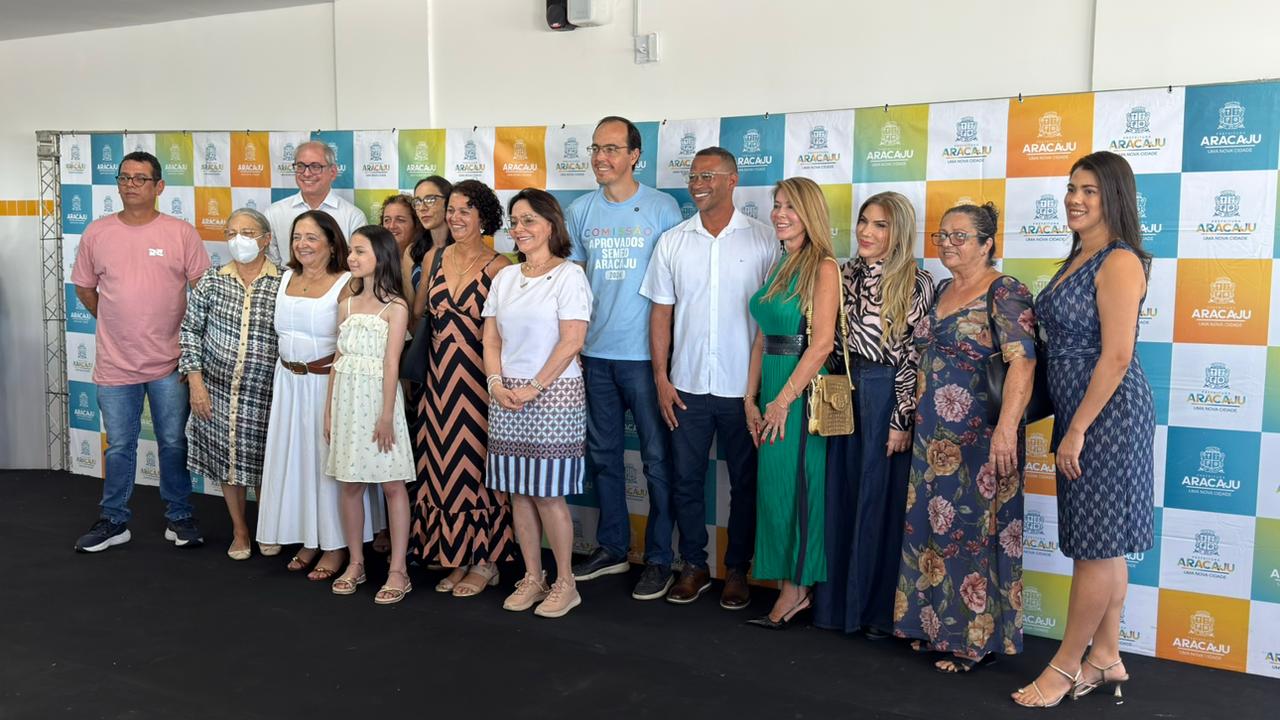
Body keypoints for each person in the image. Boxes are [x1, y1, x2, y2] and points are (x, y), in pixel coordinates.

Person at [1013, 151, 1153, 707]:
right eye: (1072, 188)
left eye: (1090, 190)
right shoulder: (1080, 256)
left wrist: (1076, 431)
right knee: (1104, 543)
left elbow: (1117, 356)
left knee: (1095, 547)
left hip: (1107, 417)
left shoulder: (1119, 260)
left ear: (1113, 197)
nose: (1075, 198)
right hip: (1083, 414)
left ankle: (1066, 666)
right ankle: (1106, 656)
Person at [894, 202, 1036, 673]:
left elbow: (1023, 362)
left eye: (960, 236)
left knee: (974, 535)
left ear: (987, 242)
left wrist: (1007, 431)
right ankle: (932, 628)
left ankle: (973, 643)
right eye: (943, 236)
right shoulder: (940, 289)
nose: (948, 244)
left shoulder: (1006, 291)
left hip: (983, 437)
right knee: (934, 531)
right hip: (934, 437)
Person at [641, 146, 777, 606]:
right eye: (692, 175)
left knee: (745, 483)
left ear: (733, 179)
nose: (697, 183)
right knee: (685, 480)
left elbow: (773, 320)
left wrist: (757, 392)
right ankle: (694, 565)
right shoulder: (673, 241)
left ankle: (738, 569)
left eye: (707, 175)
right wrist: (661, 377)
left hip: (744, 390)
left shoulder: (765, 240)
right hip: (687, 386)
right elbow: (661, 314)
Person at [566, 116, 684, 599]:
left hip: (646, 360)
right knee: (605, 459)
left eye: (612, 148)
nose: (600, 157)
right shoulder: (579, 210)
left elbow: (677, 290)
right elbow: (571, 287)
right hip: (594, 356)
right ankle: (613, 549)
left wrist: (667, 363)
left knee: (658, 462)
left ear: (636, 155)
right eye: (596, 148)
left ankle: (659, 559)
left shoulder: (662, 208)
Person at [72, 151, 211, 553]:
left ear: (159, 187)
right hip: (116, 364)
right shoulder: (97, 233)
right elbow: (85, 288)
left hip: (170, 363)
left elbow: (201, 291)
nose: (130, 184)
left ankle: (180, 516)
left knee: (172, 442)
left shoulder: (180, 233)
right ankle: (114, 520)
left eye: (140, 178)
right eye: (124, 177)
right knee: (119, 445)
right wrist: (115, 321)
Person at [814, 192, 934, 637]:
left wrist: (902, 419)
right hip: (842, 390)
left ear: (898, 232)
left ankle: (876, 614)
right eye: (864, 221)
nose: (867, 231)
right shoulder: (841, 273)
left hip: (886, 394)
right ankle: (833, 610)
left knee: (879, 505)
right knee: (840, 496)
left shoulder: (918, 282)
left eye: (880, 225)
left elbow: (911, 358)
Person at [256, 210, 386, 578]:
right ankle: (309, 540)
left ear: (332, 242)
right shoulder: (283, 279)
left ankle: (335, 545)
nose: (302, 244)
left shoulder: (348, 282)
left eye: (312, 237)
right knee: (297, 463)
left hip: (328, 385)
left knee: (328, 466)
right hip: (288, 384)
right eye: (297, 236)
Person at [484, 189, 593, 618]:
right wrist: (495, 382)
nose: (519, 228)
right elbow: (491, 338)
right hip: (506, 395)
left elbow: (573, 341)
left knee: (548, 495)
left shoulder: (569, 276)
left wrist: (534, 387)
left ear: (551, 224)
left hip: (554, 396)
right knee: (519, 495)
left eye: (529, 219)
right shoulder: (505, 277)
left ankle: (566, 583)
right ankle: (533, 576)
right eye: (514, 221)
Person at [407, 180, 515, 597]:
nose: (455, 216)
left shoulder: (499, 267)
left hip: (478, 383)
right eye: (451, 209)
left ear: (484, 217)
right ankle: (454, 556)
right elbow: (420, 312)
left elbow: (505, 335)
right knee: (440, 468)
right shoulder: (435, 256)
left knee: (476, 470)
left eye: (465, 210)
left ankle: (485, 563)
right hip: (438, 382)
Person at [742, 177, 840, 627]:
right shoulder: (779, 263)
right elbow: (763, 335)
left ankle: (797, 590)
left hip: (799, 392)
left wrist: (781, 402)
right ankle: (788, 585)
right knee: (775, 492)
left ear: (811, 214)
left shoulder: (823, 267)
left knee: (799, 488)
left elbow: (820, 345)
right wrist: (750, 397)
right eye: (777, 205)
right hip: (771, 390)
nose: (780, 214)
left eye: (790, 208)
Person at [178, 207, 281, 560]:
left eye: (249, 233)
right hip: (217, 391)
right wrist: (196, 383)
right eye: (232, 232)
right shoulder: (211, 280)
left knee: (264, 461)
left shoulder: (284, 282)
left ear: (266, 240)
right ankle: (240, 530)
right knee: (228, 461)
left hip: (266, 392)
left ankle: (269, 526)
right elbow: (190, 331)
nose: (239, 240)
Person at [325, 225, 416, 604]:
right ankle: (356, 563)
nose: (352, 258)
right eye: (351, 251)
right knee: (350, 483)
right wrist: (328, 412)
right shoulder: (344, 301)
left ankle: (398, 570)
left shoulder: (396, 306)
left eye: (360, 251)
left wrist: (386, 415)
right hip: (346, 399)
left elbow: (392, 364)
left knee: (393, 484)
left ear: (381, 255)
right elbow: (337, 359)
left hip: (380, 401)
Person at [264, 141, 367, 265]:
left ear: (333, 172)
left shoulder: (353, 217)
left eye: (315, 166)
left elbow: (359, 265)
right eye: (301, 166)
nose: (307, 173)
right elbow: (270, 264)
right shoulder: (274, 213)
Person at [380, 193, 425, 304]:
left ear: (417, 224)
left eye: (400, 220)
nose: (391, 226)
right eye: (387, 220)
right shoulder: (377, 259)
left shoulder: (427, 260)